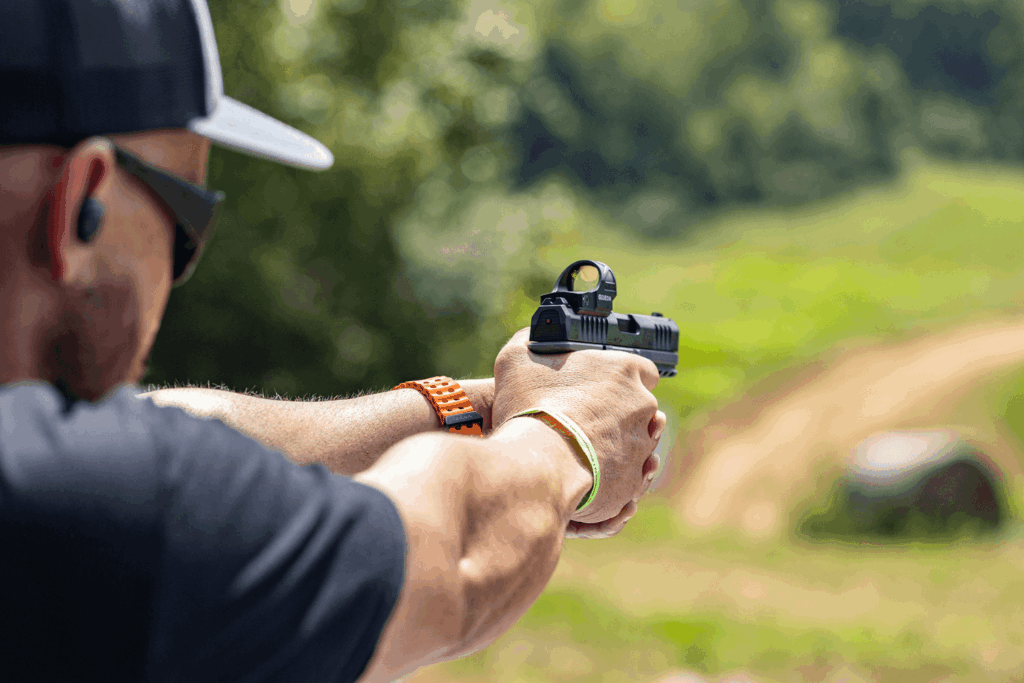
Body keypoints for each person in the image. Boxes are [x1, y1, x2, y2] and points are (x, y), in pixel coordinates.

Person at [0, 1, 667, 682]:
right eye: (186, 215)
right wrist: (567, 434)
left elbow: (171, 431)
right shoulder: (70, 502)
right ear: (86, 201)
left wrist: (472, 408)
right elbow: (453, 560)